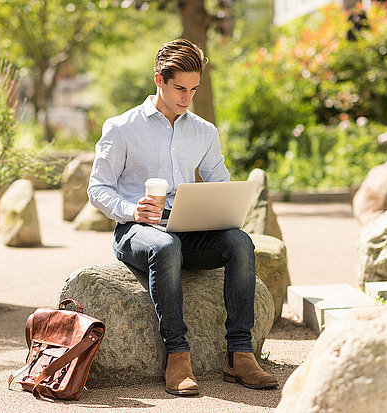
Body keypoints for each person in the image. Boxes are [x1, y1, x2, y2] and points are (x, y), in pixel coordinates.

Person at [87, 38, 278, 396]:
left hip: (187, 226)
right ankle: (178, 355)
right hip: (137, 230)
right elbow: (98, 188)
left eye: (193, 89)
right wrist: (133, 210)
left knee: (240, 243)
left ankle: (239, 354)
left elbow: (220, 182)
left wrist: (226, 205)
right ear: (159, 79)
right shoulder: (122, 128)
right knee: (165, 246)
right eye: (179, 88)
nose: (187, 98)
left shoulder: (204, 131)